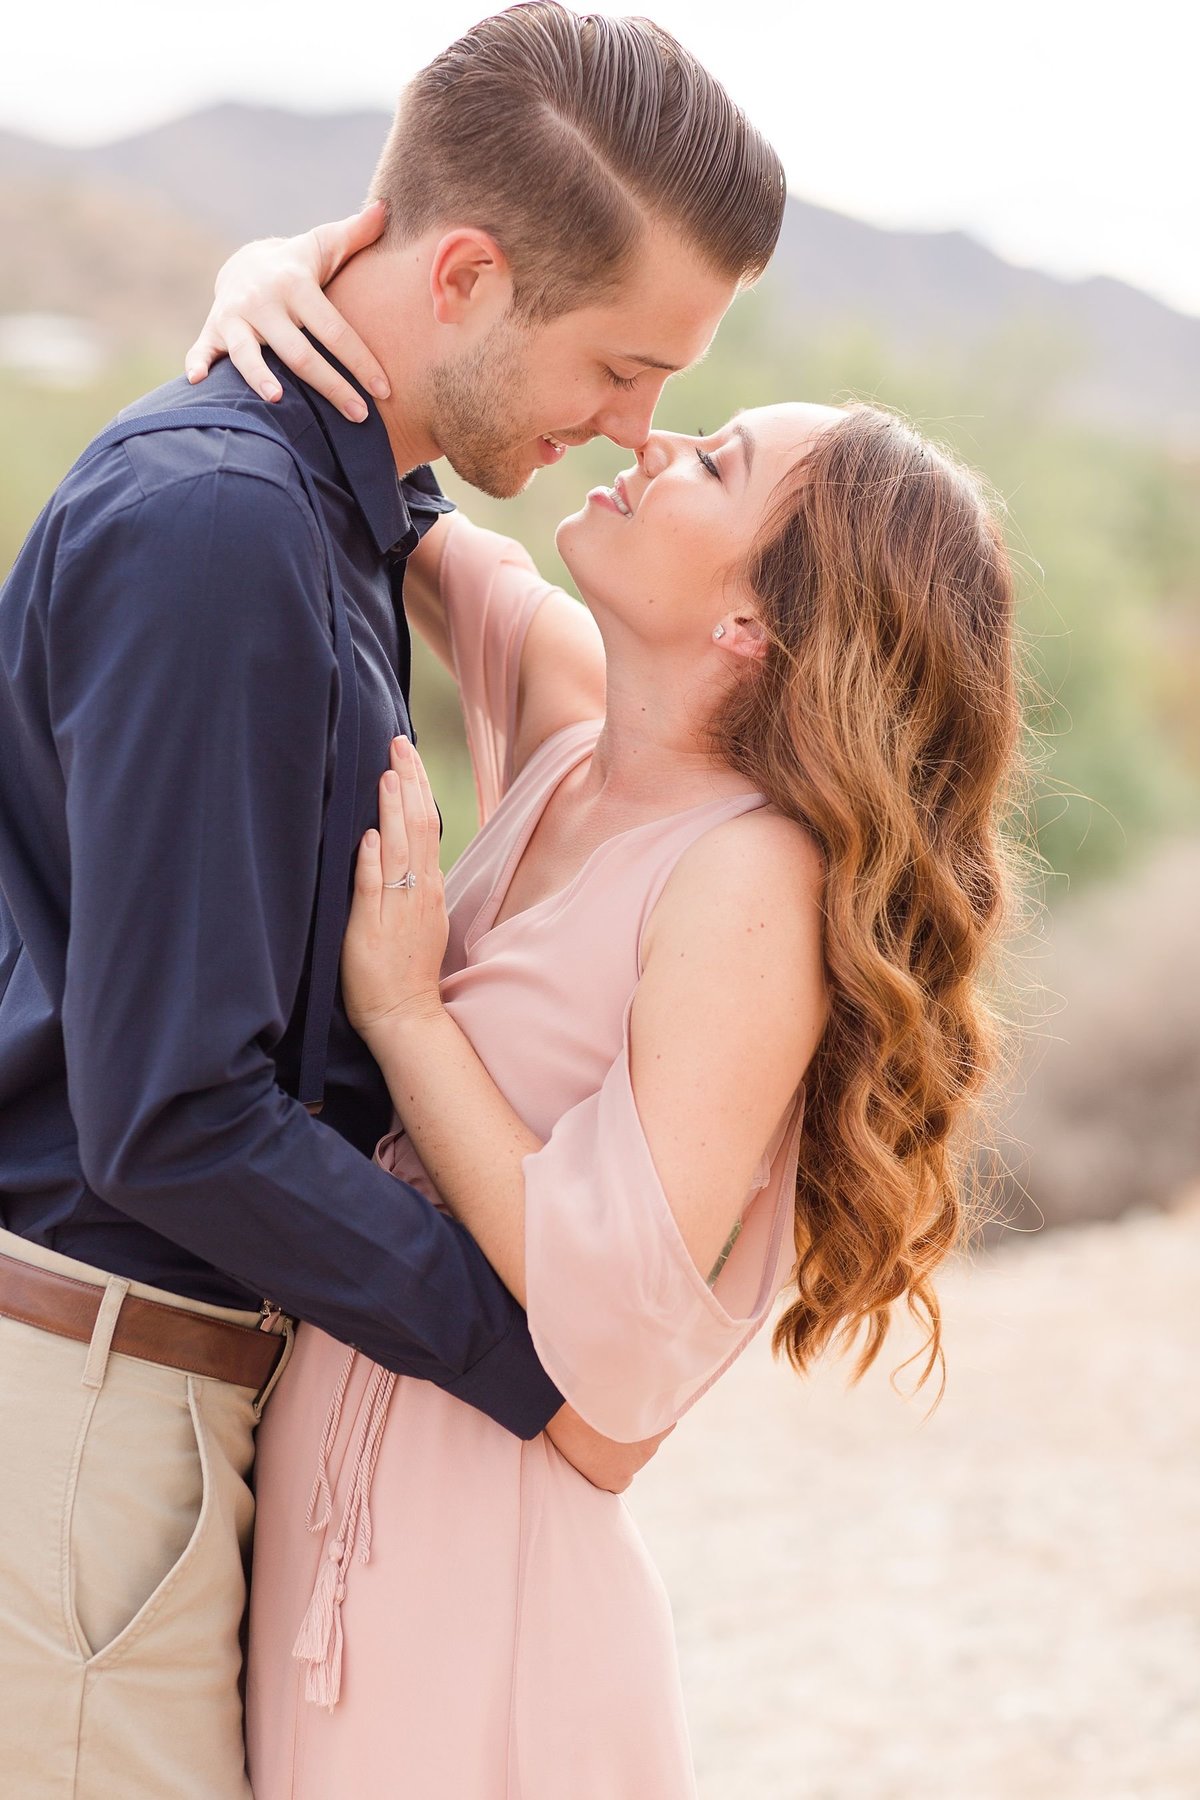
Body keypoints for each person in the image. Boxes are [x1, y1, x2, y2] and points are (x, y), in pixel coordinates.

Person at [0, 9, 786, 1796]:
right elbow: (172, 1112)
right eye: (620, 367)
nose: (629, 431)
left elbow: (440, 520)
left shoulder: (334, 516)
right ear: (471, 273)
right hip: (87, 1425)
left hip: (161, 1420)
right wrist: (530, 1370)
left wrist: (288, 279)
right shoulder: (221, 529)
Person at [197, 264, 1025, 1798]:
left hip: (488, 1612)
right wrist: (276, 276)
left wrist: (401, 1011)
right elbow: (402, 479)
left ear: (756, 625)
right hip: (337, 1562)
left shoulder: (750, 879)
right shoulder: (577, 731)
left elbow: (618, 1337)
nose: (655, 447)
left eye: (715, 463)